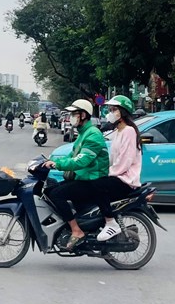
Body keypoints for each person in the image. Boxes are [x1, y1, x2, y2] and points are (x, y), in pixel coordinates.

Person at [43, 99, 110, 250]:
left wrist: (57, 164)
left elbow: (81, 162)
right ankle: (74, 224)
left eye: (75, 114)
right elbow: (72, 157)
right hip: (84, 178)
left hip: (93, 180)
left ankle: (76, 230)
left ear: (84, 115)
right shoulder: (83, 134)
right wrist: (52, 160)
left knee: (57, 195)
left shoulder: (92, 135)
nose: (71, 117)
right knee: (50, 189)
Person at [87, 95, 144, 241]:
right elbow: (112, 159)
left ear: (122, 112)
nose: (110, 113)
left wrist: (108, 174)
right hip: (118, 176)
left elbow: (125, 160)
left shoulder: (129, 131)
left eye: (114, 110)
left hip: (126, 180)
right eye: (110, 109)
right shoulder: (117, 132)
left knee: (97, 185)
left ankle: (110, 223)